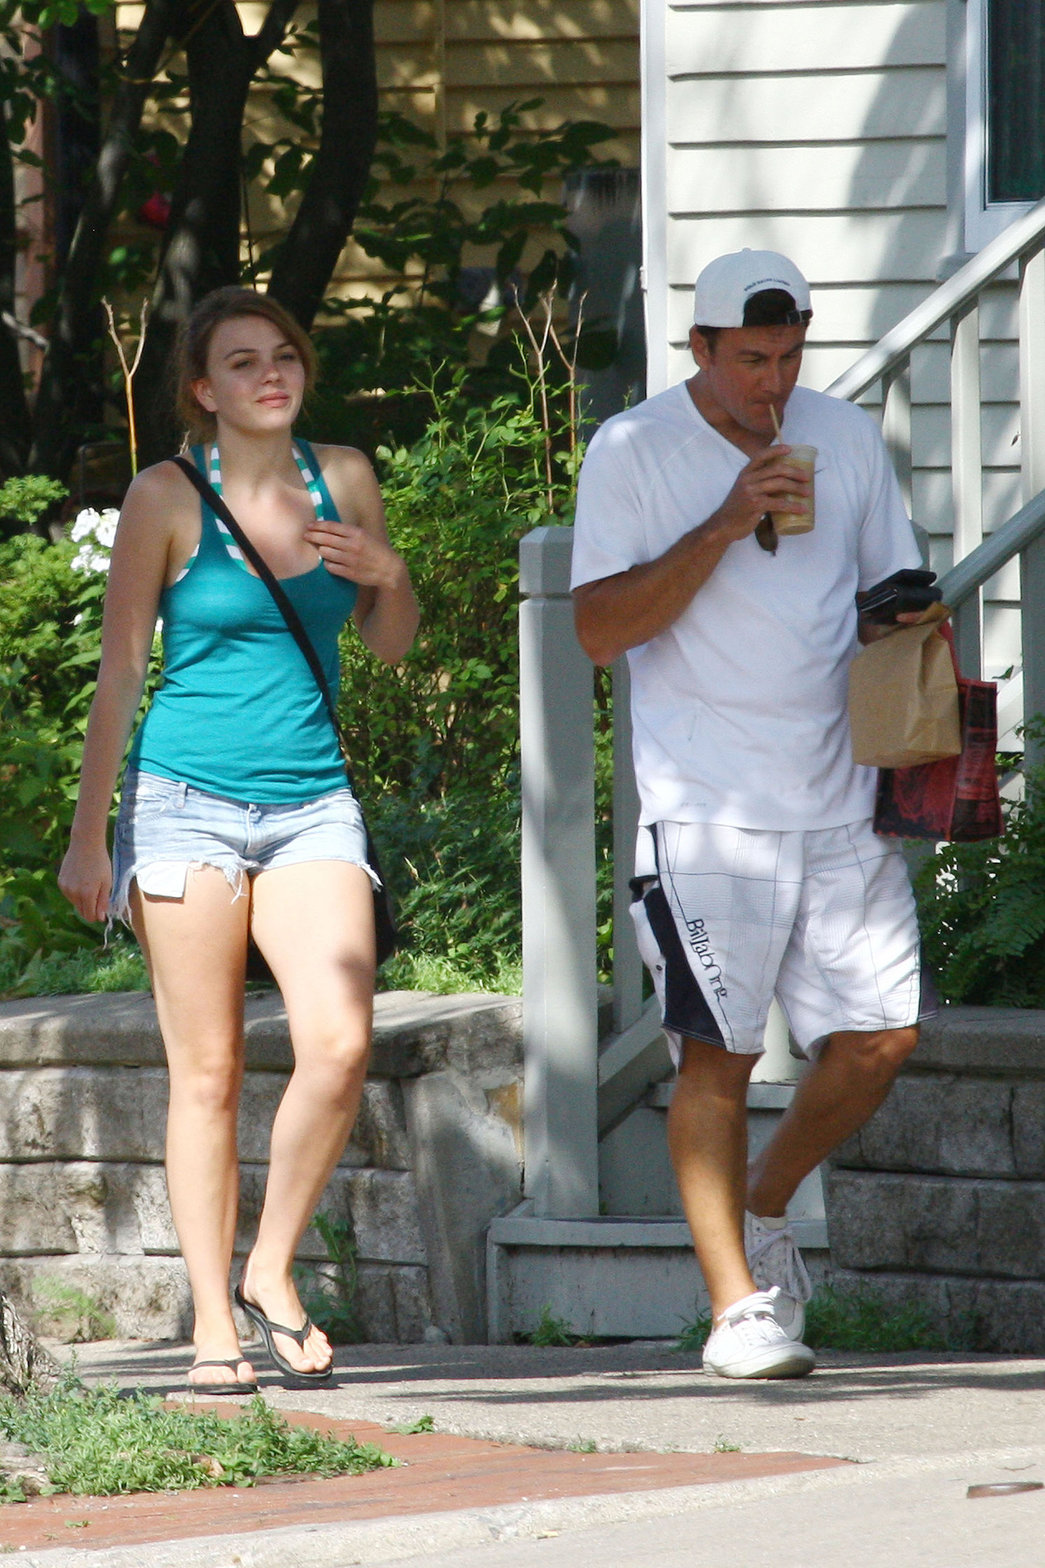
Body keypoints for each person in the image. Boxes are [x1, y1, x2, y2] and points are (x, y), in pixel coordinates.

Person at [571, 250, 935, 1379]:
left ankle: (765, 1202)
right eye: (747, 361)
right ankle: (735, 1309)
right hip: (704, 811)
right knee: (714, 1059)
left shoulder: (844, 433)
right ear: (699, 351)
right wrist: (726, 521)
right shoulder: (632, 449)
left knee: (882, 1038)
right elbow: (596, 628)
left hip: (838, 800)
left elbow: (896, 600)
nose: (771, 382)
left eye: (787, 356)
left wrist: (934, 714)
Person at [58, 286, 419, 1393]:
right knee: (205, 1070)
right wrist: (88, 839)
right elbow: (123, 672)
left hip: (312, 799)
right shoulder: (165, 496)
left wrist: (388, 576)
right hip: (184, 801)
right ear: (204, 390)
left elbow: (393, 646)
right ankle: (213, 1320)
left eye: (286, 355)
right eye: (244, 361)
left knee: (339, 1043)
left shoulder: (343, 477)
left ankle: (269, 1264)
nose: (273, 373)